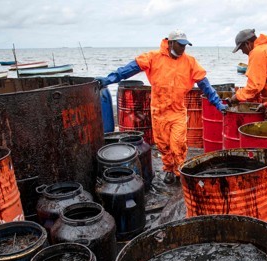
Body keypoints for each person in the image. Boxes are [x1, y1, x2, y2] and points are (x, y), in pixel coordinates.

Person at [97, 30, 228, 185]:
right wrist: (107, 80)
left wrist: (218, 103)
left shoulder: (190, 62)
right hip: (158, 112)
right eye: (180, 45)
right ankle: (168, 169)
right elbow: (127, 70)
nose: (183, 49)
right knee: (163, 145)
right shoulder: (153, 58)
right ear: (170, 43)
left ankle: (180, 171)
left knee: (178, 144)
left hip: (177, 112)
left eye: (185, 46)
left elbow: (205, 85)